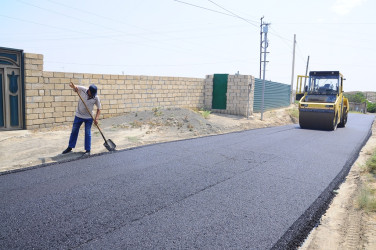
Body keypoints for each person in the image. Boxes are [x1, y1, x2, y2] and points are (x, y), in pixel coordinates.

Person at [62, 82, 101, 157]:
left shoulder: (96, 97)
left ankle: (88, 150)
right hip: (78, 115)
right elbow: (73, 86)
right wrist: (74, 88)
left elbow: (99, 109)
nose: (92, 95)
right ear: (89, 90)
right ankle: (70, 147)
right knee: (74, 131)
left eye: (94, 94)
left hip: (89, 117)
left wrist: (96, 119)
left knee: (87, 133)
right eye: (91, 93)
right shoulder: (83, 89)